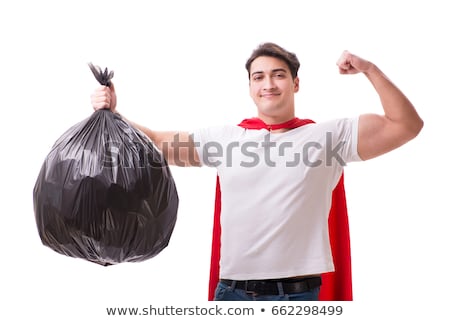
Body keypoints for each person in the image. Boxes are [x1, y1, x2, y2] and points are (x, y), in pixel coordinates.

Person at [90, 42, 423, 301]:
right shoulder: (226, 139)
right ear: (250, 87)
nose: (268, 83)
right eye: (258, 77)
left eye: (278, 74)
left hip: (299, 297)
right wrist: (115, 114)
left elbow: (406, 125)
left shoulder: (328, 137)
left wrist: (370, 69)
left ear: (295, 83)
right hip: (232, 294)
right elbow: (157, 143)